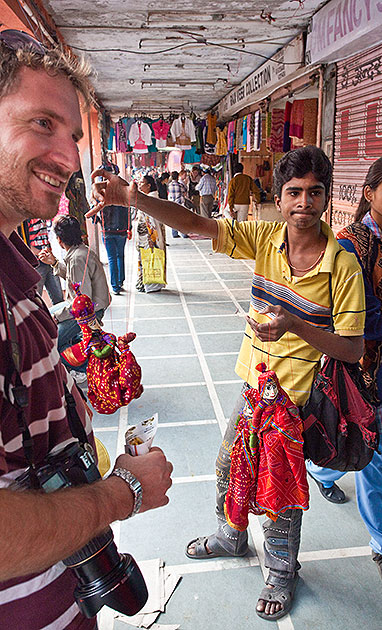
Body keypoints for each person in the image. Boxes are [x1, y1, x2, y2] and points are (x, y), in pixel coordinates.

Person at [89, 145, 366, 621]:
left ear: (326, 199)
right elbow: (195, 224)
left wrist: (295, 326)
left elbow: (352, 348)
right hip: (252, 392)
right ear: (278, 199)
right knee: (226, 466)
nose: (304, 203)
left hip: (296, 403)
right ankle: (231, 536)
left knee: (278, 490)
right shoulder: (264, 239)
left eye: (314, 193)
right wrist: (133, 199)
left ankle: (281, 572)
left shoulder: (342, 267)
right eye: (294, 193)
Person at [0, 29, 172, 630]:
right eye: (41, 123)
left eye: (73, 135)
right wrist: (124, 490)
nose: (70, 157)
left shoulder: (15, 270)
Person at [306, 154, 382, 597]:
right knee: (378, 460)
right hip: (365, 369)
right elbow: (359, 321)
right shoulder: (350, 245)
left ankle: (326, 471)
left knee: (363, 443)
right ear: (368, 192)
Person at [39, 215, 111, 362]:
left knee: (51, 341)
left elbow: (83, 302)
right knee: (47, 314)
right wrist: (54, 262)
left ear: (59, 240)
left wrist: (58, 317)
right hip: (85, 306)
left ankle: (80, 368)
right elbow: (76, 279)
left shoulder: (77, 258)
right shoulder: (79, 252)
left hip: (90, 312)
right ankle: (76, 349)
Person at [96, 162, 131, 295]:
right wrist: (129, 227)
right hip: (121, 230)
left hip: (107, 230)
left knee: (112, 258)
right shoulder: (121, 189)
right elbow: (127, 210)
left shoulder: (100, 193)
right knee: (120, 256)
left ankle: (115, 286)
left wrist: (98, 220)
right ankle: (120, 281)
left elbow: (94, 216)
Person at [136, 174, 166, 293]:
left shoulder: (151, 199)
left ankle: (152, 284)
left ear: (149, 186)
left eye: (142, 183)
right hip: (146, 236)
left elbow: (152, 221)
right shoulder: (147, 197)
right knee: (146, 259)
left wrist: (151, 238)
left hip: (150, 237)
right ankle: (146, 283)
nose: (139, 185)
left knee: (151, 258)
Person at [26, 217, 63, 304]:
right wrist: (38, 253)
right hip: (37, 263)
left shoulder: (42, 218)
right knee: (36, 298)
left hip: (48, 260)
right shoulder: (27, 219)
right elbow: (24, 241)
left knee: (58, 297)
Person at [167, 171, 189, 238]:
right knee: (181, 219)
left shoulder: (169, 185)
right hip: (179, 203)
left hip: (171, 203)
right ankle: (184, 234)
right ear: (178, 177)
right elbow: (185, 191)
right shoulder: (180, 185)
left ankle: (174, 234)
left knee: (174, 219)